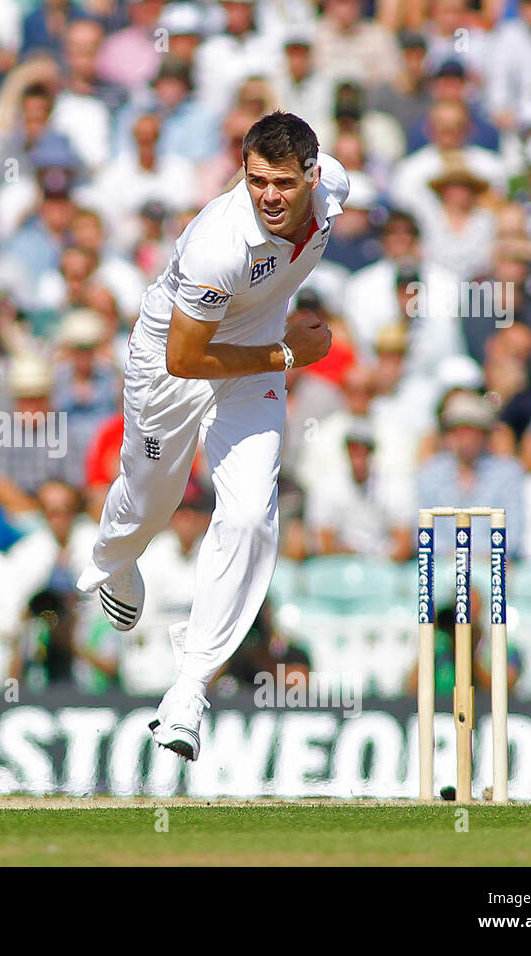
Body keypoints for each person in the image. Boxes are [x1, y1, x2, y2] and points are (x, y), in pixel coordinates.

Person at [76, 111, 347, 761]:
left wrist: (273, 352)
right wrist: (285, 354)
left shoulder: (334, 190)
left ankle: (190, 688)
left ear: (313, 174)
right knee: (151, 503)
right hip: (174, 362)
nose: (270, 196)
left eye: (284, 181)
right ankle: (111, 561)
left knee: (253, 515)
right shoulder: (218, 246)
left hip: (252, 362)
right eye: (257, 182)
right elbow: (187, 359)